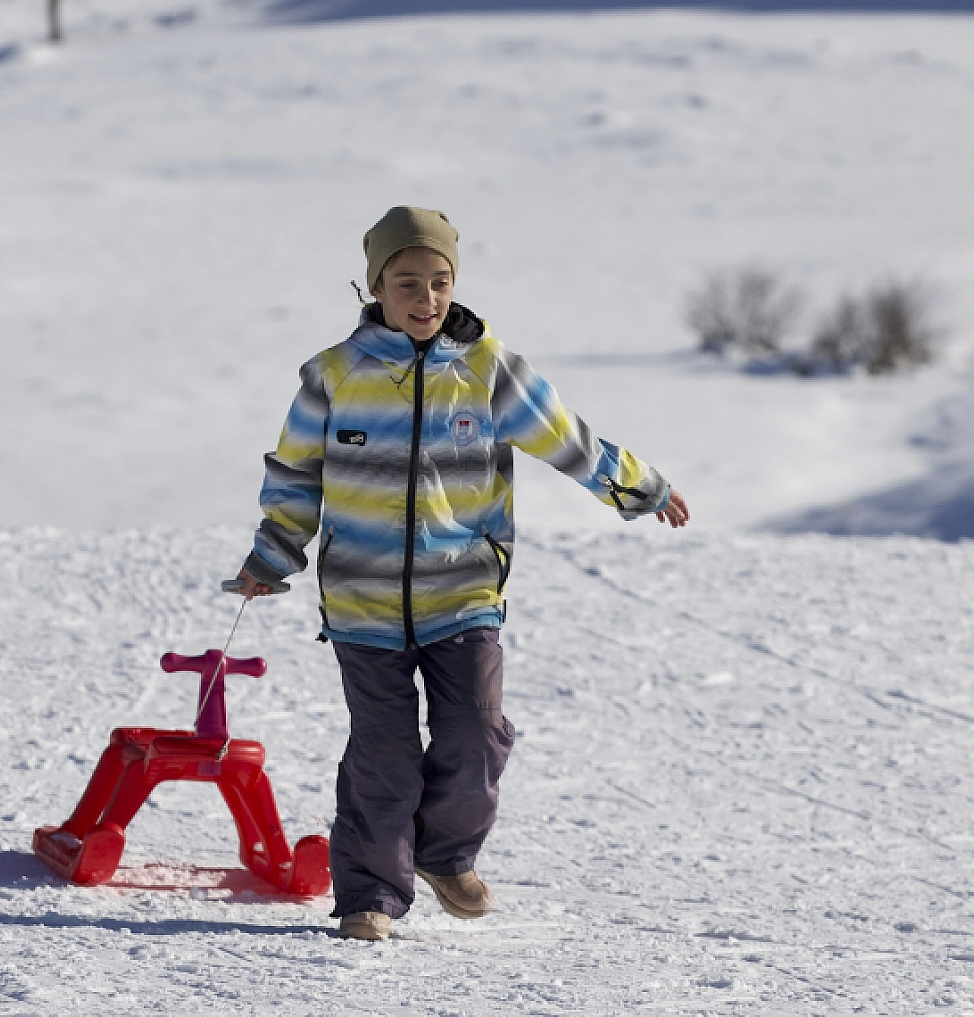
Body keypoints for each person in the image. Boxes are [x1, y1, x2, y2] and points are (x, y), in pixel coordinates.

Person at [233, 206, 689, 941]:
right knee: (383, 755)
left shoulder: (489, 371)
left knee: (476, 733)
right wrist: (273, 554)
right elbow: (296, 475)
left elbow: (566, 438)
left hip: (466, 589)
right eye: (407, 282)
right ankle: (370, 898)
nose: (426, 298)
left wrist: (639, 486)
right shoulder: (333, 376)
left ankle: (445, 856)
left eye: (439, 282)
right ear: (375, 285)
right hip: (361, 599)